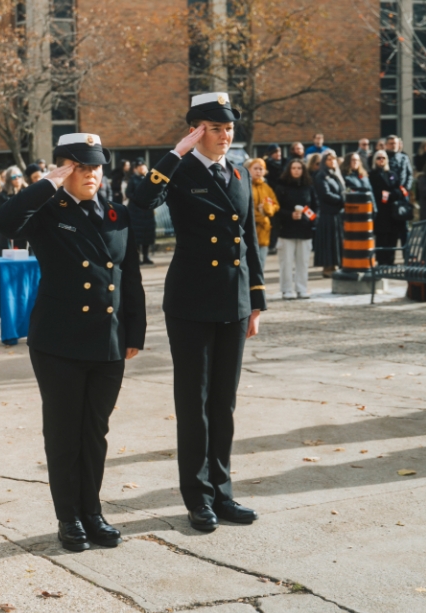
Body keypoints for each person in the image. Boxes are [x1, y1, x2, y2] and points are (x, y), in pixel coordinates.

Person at [0, 133, 145, 552]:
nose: (91, 174)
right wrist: (47, 183)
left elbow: (128, 277)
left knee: (95, 432)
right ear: (64, 169)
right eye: (81, 167)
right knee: (64, 434)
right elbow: (5, 222)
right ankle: (69, 518)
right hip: (59, 342)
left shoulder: (117, 213)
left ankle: (93, 512)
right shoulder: (48, 210)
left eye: (96, 166)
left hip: (108, 341)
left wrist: (135, 332)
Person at [130, 92, 265, 532]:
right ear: (196, 131)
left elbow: (249, 241)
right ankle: (198, 497)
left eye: (229, 129)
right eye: (216, 128)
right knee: (195, 405)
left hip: (233, 300)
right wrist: (175, 154)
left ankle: (223, 493)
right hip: (191, 302)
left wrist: (256, 301)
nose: (225, 136)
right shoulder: (181, 171)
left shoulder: (240, 174)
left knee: (223, 405)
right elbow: (141, 201)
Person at [273, 159, 317, 299]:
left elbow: (315, 207)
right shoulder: (281, 187)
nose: (297, 170)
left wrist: (310, 219)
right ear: (289, 170)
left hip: (305, 230)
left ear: (303, 170)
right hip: (286, 230)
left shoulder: (308, 186)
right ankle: (286, 290)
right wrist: (289, 215)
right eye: (294, 168)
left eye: (299, 168)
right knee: (286, 262)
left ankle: (301, 288)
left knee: (303, 262)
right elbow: (276, 209)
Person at [369, 150, 408, 264]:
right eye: (379, 158)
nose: (381, 160)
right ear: (375, 160)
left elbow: (399, 190)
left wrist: (390, 194)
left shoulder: (392, 174)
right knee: (382, 238)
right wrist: (385, 194)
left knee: (393, 237)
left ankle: (391, 261)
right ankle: (381, 261)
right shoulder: (372, 175)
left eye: (383, 158)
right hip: (381, 211)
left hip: (393, 211)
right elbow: (375, 192)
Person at [313, 151, 345, 276]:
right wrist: (342, 200)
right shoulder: (321, 176)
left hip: (337, 213)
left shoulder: (335, 175)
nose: (332, 162)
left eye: (334, 159)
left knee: (336, 242)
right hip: (327, 214)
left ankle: (335, 265)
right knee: (328, 242)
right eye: (329, 160)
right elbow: (325, 194)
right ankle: (328, 267)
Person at [246, 158, 278, 266]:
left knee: (261, 265)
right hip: (249, 229)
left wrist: (268, 208)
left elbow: (275, 205)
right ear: (249, 169)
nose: (258, 171)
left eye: (261, 169)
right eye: (255, 168)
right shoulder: (245, 186)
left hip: (264, 231)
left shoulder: (267, 188)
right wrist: (261, 216)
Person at [127, 158, 155, 264]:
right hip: (136, 211)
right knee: (137, 236)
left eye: (143, 166)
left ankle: (146, 257)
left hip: (147, 211)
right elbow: (128, 193)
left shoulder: (150, 178)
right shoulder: (133, 179)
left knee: (147, 235)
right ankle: (137, 257)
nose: (141, 168)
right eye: (139, 167)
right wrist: (138, 199)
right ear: (136, 168)